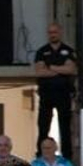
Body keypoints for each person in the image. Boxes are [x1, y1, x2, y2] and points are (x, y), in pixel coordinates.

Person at [33, 23, 77, 156]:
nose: (53, 35)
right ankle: (40, 155)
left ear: (60, 32)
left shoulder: (68, 50)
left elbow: (71, 69)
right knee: (43, 126)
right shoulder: (42, 51)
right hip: (46, 94)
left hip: (63, 93)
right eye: (50, 32)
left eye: (55, 32)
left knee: (65, 127)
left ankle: (67, 156)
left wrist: (51, 67)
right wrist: (60, 70)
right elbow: (39, 72)